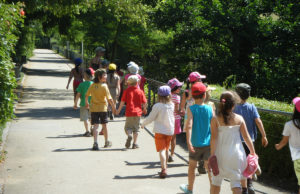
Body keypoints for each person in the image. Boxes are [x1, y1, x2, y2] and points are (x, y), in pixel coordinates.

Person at [210, 91, 256, 194]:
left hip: (220, 155)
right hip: (237, 155)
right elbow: (246, 137)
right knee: (236, 184)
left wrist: (212, 155)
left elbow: (213, 138)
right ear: (233, 105)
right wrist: (253, 152)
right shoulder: (239, 119)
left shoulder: (215, 119)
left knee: (216, 183)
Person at [234, 83, 268, 194]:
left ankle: (241, 185)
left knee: (240, 163)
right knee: (249, 162)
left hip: (236, 141)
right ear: (248, 95)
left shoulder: (233, 108)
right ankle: (249, 184)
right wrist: (264, 135)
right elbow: (258, 121)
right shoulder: (251, 107)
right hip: (250, 141)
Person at [179, 82, 213, 194]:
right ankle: (214, 190)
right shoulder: (210, 109)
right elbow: (214, 126)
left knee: (192, 168)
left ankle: (190, 189)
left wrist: (188, 141)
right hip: (208, 144)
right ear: (204, 95)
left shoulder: (191, 109)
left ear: (192, 96)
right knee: (210, 169)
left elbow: (189, 125)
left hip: (195, 144)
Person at [141, 85, 174, 178]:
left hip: (160, 131)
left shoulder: (157, 106)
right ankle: (165, 166)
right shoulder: (172, 105)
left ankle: (163, 169)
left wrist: (143, 124)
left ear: (159, 96)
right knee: (167, 149)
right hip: (170, 130)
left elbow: (151, 117)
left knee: (162, 150)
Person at [85, 69, 116, 150]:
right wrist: (113, 108)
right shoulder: (104, 86)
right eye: (104, 75)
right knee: (104, 126)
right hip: (103, 109)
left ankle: (95, 143)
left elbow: (87, 95)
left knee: (95, 126)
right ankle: (106, 142)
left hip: (94, 109)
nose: (106, 76)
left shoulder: (92, 85)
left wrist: (86, 103)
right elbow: (110, 99)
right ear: (99, 77)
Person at [275, 97, 300, 194]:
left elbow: (284, 141)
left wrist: (278, 146)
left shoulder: (289, 124)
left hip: (298, 158)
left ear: (295, 110)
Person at [116, 75, 147, 149]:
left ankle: (129, 135)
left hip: (129, 112)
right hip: (138, 113)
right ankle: (134, 143)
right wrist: (144, 109)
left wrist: (118, 111)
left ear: (128, 83)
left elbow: (122, 102)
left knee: (127, 128)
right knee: (136, 129)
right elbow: (144, 102)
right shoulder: (140, 91)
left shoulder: (126, 91)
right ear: (137, 83)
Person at [74, 68, 94, 136]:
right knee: (91, 117)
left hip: (83, 103)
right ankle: (92, 128)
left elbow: (78, 95)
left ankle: (87, 131)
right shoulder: (94, 84)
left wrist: (75, 103)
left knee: (85, 118)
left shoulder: (81, 84)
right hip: (93, 104)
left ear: (85, 76)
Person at [167, 78, 183, 162]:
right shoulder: (177, 97)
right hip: (175, 119)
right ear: (174, 88)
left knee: (166, 137)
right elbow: (176, 110)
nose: (180, 88)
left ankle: (165, 153)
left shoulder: (167, 96)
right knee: (173, 138)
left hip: (167, 118)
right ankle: (172, 154)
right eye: (179, 87)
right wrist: (182, 113)